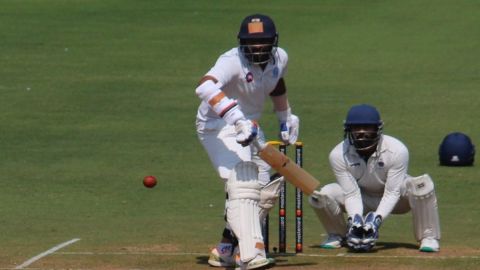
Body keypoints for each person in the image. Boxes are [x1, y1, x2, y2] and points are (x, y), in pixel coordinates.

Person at [195, 14, 300, 269]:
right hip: (217, 126)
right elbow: (205, 88)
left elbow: (275, 83)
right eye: (253, 43)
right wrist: (235, 118)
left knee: (263, 190)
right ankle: (251, 254)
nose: (258, 47)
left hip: (251, 127)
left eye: (264, 42)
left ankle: (226, 248)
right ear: (242, 43)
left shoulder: (280, 58)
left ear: (273, 42)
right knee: (245, 183)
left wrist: (285, 115)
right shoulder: (231, 61)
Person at [309, 104, 441, 252]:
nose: (362, 132)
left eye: (367, 127)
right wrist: (355, 221)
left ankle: (428, 237)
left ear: (377, 129)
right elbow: (351, 193)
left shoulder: (397, 150)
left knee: (421, 186)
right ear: (349, 130)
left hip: (398, 200)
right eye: (356, 128)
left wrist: (376, 221)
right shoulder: (338, 154)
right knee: (324, 195)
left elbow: (392, 192)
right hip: (362, 198)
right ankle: (339, 234)